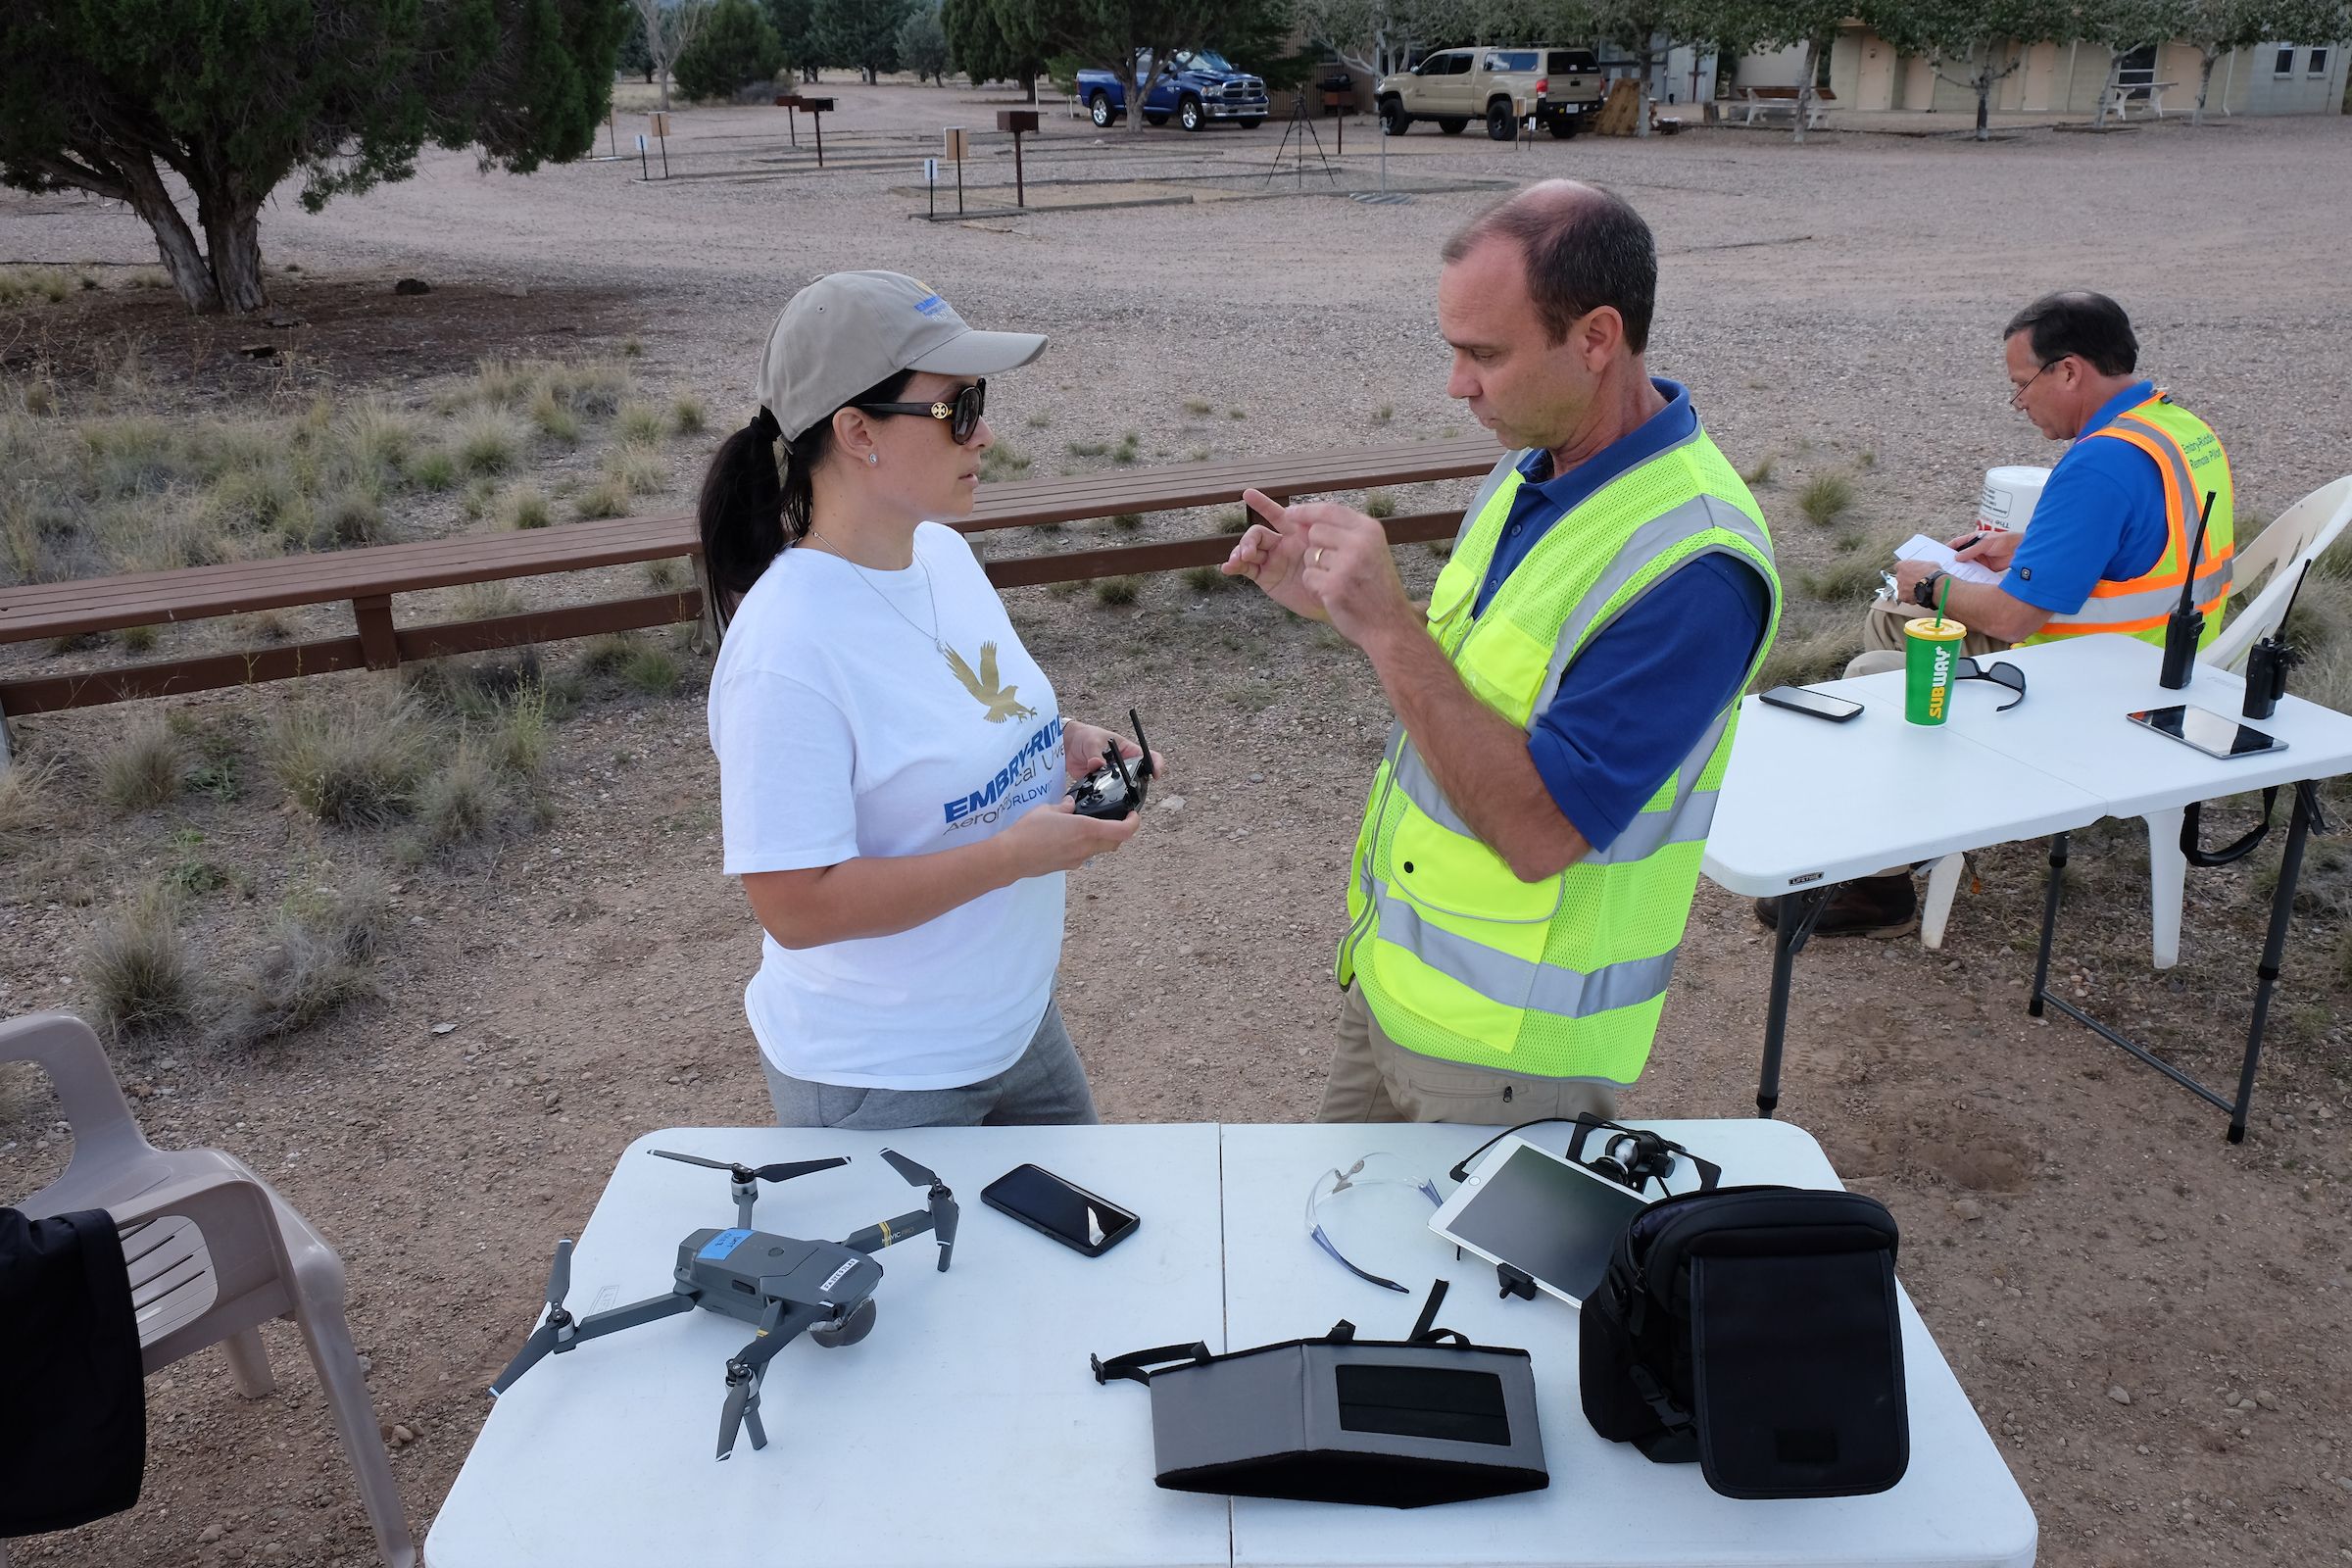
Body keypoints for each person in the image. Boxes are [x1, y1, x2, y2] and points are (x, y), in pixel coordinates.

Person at [1224, 180, 1782, 1125]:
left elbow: (1540, 832)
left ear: (1596, 339)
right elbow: (1477, 675)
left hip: (1508, 1059)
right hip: (1394, 982)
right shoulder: (1536, 465)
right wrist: (1344, 608)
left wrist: (1390, 627)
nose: (1457, 384)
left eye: (1484, 353)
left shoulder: (1698, 567)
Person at [700, 270, 1163, 1129]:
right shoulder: (783, 651)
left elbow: (948, 714)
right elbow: (795, 907)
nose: (984, 433)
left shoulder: (940, 554)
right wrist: (1010, 857)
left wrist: (1052, 739)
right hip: (883, 1072)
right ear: (857, 431)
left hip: (1016, 1026)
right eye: (958, 407)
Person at [1766, 290, 2235, 937]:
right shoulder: (2178, 430)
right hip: (2171, 663)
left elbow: (2014, 619)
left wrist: (1933, 584)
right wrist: (2028, 547)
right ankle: (1918, 814)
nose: (2019, 403)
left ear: (2068, 371)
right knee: (1893, 618)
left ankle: (1882, 887)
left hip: (2092, 689)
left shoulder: (2099, 464)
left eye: (2022, 384)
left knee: (1874, 672)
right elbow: (2143, 548)